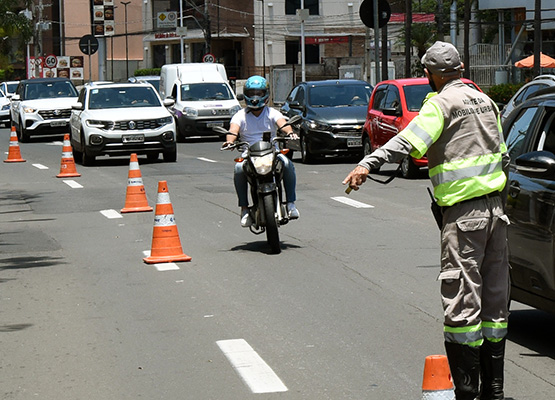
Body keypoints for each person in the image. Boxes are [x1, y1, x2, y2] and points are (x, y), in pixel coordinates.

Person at [343, 41, 510, 400]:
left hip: (464, 218)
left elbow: (408, 141)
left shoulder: (441, 103)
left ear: (430, 74)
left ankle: (468, 393)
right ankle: (494, 392)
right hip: (497, 212)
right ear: (461, 68)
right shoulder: (485, 101)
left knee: (463, 305)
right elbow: (504, 155)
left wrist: (367, 163)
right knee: (495, 304)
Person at [223, 75, 300, 227]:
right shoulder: (240, 116)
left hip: (272, 152)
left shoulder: (272, 113)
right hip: (249, 154)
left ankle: (291, 204)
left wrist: (290, 133)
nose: (255, 97)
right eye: (251, 93)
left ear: (265, 94)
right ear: (246, 94)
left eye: (258, 93)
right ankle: (244, 209)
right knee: (238, 168)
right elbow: (233, 130)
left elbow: (283, 125)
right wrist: (229, 141)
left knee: (287, 163)